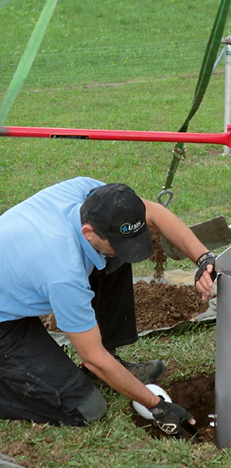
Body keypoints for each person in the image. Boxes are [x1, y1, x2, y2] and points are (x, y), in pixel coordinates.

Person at [0, 177, 217, 435]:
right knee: (86, 408)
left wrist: (204, 258)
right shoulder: (64, 273)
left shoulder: (90, 193)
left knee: (114, 259)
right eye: (119, 243)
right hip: (6, 325)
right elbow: (94, 359)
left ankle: (112, 360)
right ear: (88, 232)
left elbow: (156, 213)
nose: (132, 251)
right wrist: (157, 406)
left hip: (13, 284)